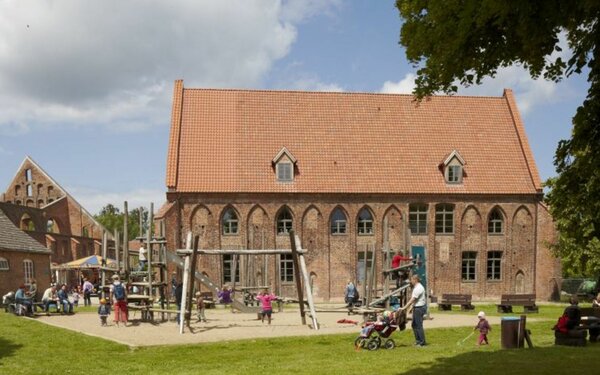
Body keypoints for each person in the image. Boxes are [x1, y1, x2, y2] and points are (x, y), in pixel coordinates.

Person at [400, 274, 427, 347]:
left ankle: (422, 342)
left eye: (411, 280)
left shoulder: (418, 288)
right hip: (417, 307)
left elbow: (412, 300)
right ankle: (418, 341)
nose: (410, 281)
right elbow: (415, 301)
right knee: (414, 325)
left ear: (415, 280)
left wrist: (404, 307)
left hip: (419, 308)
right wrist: (411, 308)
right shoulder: (416, 287)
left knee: (418, 325)